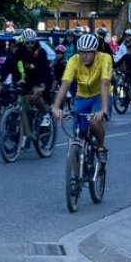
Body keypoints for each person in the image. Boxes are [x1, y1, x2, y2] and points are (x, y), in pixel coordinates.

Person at [51, 33, 112, 164]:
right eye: (81, 52)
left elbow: (105, 83)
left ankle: (101, 147)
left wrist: (103, 109)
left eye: (87, 53)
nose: (83, 56)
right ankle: (77, 170)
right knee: (78, 132)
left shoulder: (105, 58)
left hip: (100, 95)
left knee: (94, 121)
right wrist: (56, 107)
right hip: (82, 95)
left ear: (95, 51)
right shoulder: (74, 60)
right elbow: (65, 83)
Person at [0, 28, 52, 127]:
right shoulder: (20, 51)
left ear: (35, 41)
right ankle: (26, 120)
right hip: (28, 79)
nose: (30, 45)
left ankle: (45, 115)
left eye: (32, 42)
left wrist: (41, 86)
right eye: (27, 43)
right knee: (21, 97)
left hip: (41, 79)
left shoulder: (41, 52)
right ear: (24, 42)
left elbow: (44, 69)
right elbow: (9, 65)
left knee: (35, 97)